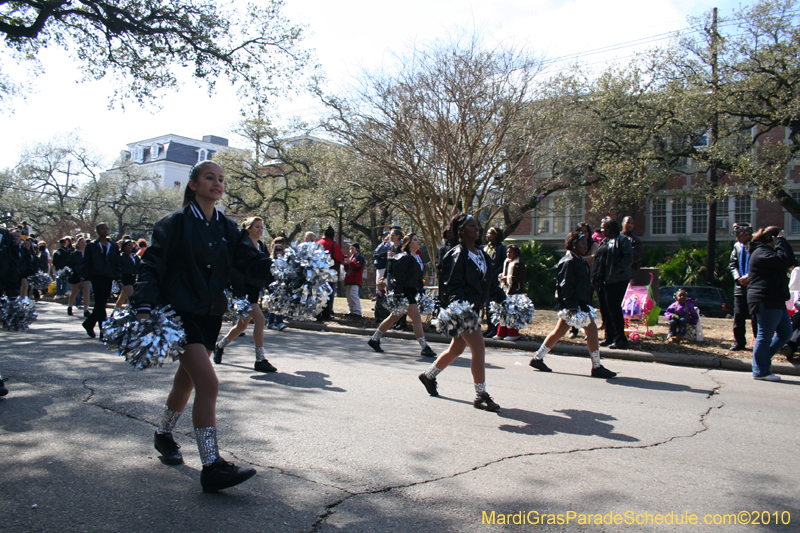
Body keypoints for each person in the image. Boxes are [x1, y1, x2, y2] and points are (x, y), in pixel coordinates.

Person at [131, 160, 273, 492]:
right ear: (193, 184)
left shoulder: (226, 228)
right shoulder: (175, 224)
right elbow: (151, 266)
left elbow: (248, 262)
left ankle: (163, 434)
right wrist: (144, 307)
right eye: (210, 178)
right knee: (208, 384)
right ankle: (212, 466)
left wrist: (280, 269)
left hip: (210, 315)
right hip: (179, 314)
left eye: (221, 179)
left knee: (186, 383)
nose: (217, 183)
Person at [418, 214, 507, 410]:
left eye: (477, 225)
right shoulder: (457, 255)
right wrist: (459, 308)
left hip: (473, 309)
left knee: (456, 349)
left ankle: (428, 376)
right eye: (472, 226)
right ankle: (480, 395)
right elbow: (452, 285)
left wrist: (504, 300)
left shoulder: (482, 254)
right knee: (479, 348)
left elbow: (489, 283)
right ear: (461, 231)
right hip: (463, 311)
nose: (477, 229)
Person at [530, 232, 617, 378]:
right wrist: (571, 307)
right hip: (573, 306)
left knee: (559, 332)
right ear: (573, 244)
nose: (586, 246)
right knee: (592, 330)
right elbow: (564, 286)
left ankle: (537, 358)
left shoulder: (580, 260)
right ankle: (596, 366)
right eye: (582, 243)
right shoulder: (568, 261)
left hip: (580, 304)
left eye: (586, 243)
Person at [213, 217, 277, 373]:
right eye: (256, 227)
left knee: (241, 325)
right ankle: (260, 359)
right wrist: (238, 291)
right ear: (248, 228)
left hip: (254, 290)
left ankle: (219, 346)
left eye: (261, 227)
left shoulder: (261, 246)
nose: (260, 230)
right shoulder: (242, 245)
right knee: (260, 320)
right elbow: (235, 269)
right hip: (243, 290)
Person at [368, 234, 437, 357]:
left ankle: (374, 339)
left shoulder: (418, 258)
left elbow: (418, 277)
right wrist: (398, 295)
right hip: (405, 292)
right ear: (408, 243)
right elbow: (398, 278)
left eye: (418, 239)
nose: (418, 242)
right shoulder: (404, 258)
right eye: (415, 240)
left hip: (413, 291)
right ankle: (424, 347)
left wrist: (421, 292)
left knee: (393, 317)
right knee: (416, 319)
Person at [747, 226, 795, 381]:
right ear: (772, 239)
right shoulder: (760, 252)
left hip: (776, 299)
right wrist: (780, 241)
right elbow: (782, 261)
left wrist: (782, 242)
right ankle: (760, 371)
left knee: (786, 333)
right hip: (765, 299)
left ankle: (762, 360)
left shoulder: (768, 252)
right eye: (779, 239)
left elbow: (789, 260)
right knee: (764, 335)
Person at [591, 217, 633, 350]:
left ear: (611, 228)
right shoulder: (605, 240)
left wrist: (616, 271)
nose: (602, 229)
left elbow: (628, 257)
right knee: (604, 309)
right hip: (601, 280)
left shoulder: (622, 240)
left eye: (604, 227)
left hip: (615, 280)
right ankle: (609, 336)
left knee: (613, 309)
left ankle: (620, 339)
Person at [81, 223, 122, 339]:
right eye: (103, 229)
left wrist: (118, 278)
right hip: (97, 276)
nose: (105, 231)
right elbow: (86, 262)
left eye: (106, 229)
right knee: (100, 302)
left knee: (101, 303)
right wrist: (83, 278)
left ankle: (88, 324)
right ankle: (103, 330)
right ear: (97, 231)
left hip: (108, 276)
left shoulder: (113, 246)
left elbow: (117, 263)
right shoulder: (92, 246)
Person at [728, 223, 757, 351]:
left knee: (756, 317)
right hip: (740, 286)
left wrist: (749, 277)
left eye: (739, 235)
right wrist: (738, 278)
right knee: (738, 316)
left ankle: (759, 343)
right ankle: (739, 342)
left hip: (754, 286)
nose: (737, 238)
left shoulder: (757, 245)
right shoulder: (737, 246)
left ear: (747, 235)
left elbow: (760, 264)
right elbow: (732, 264)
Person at [569, 223, 598, 339]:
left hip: (588, 280)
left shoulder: (593, 244)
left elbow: (593, 257)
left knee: (587, 305)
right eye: (581, 231)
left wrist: (578, 258)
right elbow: (569, 256)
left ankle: (588, 331)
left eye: (586, 231)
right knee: (574, 307)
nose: (584, 234)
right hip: (575, 281)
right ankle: (574, 330)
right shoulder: (573, 246)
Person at [496, 244, 526, 341]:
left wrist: (508, 278)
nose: (508, 254)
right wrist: (502, 276)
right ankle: (502, 332)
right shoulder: (507, 262)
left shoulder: (519, 263)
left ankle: (513, 333)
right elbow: (506, 274)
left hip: (515, 291)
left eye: (510, 252)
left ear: (515, 253)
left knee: (511, 313)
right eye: (507, 252)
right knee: (503, 312)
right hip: (506, 290)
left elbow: (522, 277)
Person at [482, 226, 506, 338]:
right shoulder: (485, 248)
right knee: (487, 306)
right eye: (487, 233)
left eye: (490, 233)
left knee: (494, 306)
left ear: (496, 235)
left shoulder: (501, 248)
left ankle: (495, 329)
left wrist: (495, 273)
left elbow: (503, 263)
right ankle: (489, 327)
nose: (488, 235)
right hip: (486, 281)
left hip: (495, 281)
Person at [316, 227, 344, 321]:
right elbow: (339, 259)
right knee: (328, 294)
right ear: (333, 235)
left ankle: (317, 313)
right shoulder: (335, 245)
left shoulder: (318, 243)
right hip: (330, 272)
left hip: (318, 273)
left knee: (319, 294)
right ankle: (326, 314)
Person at [266, 239, 288, 332]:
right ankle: (279, 322)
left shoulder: (284, 261)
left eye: (281, 250)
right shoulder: (271, 261)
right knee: (276, 303)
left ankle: (270, 322)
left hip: (281, 285)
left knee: (275, 303)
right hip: (272, 285)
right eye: (277, 250)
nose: (279, 251)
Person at [67, 236, 90, 317]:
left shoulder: (88, 254)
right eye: (81, 242)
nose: (84, 244)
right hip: (76, 275)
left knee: (86, 291)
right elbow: (70, 264)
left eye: (84, 242)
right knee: (74, 292)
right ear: (78, 244)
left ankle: (86, 309)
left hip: (86, 275)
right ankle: (70, 306)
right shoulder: (74, 254)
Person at [114, 239, 139, 308]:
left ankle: (114, 312)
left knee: (122, 297)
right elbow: (118, 268)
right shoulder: (121, 256)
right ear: (124, 246)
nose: (130, 247)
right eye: (128, 245)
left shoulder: (135, 256)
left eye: (131, 245)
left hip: (133, 278)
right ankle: (132, 314)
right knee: (131, 298)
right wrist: (119, 280)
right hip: (125, 278)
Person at [344, 242, 364, 317]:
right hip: (349, 279)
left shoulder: (360, 258)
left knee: (353, 294)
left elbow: (358, 267)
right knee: (348, 295)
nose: (351, 250)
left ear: (357, 249)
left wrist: (351, 263)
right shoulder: (351, 257)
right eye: (350, 248)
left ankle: (357, 311)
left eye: (352, 248)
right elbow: (348, 269)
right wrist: (346, 264)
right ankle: (351, 310)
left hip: (356, 280)